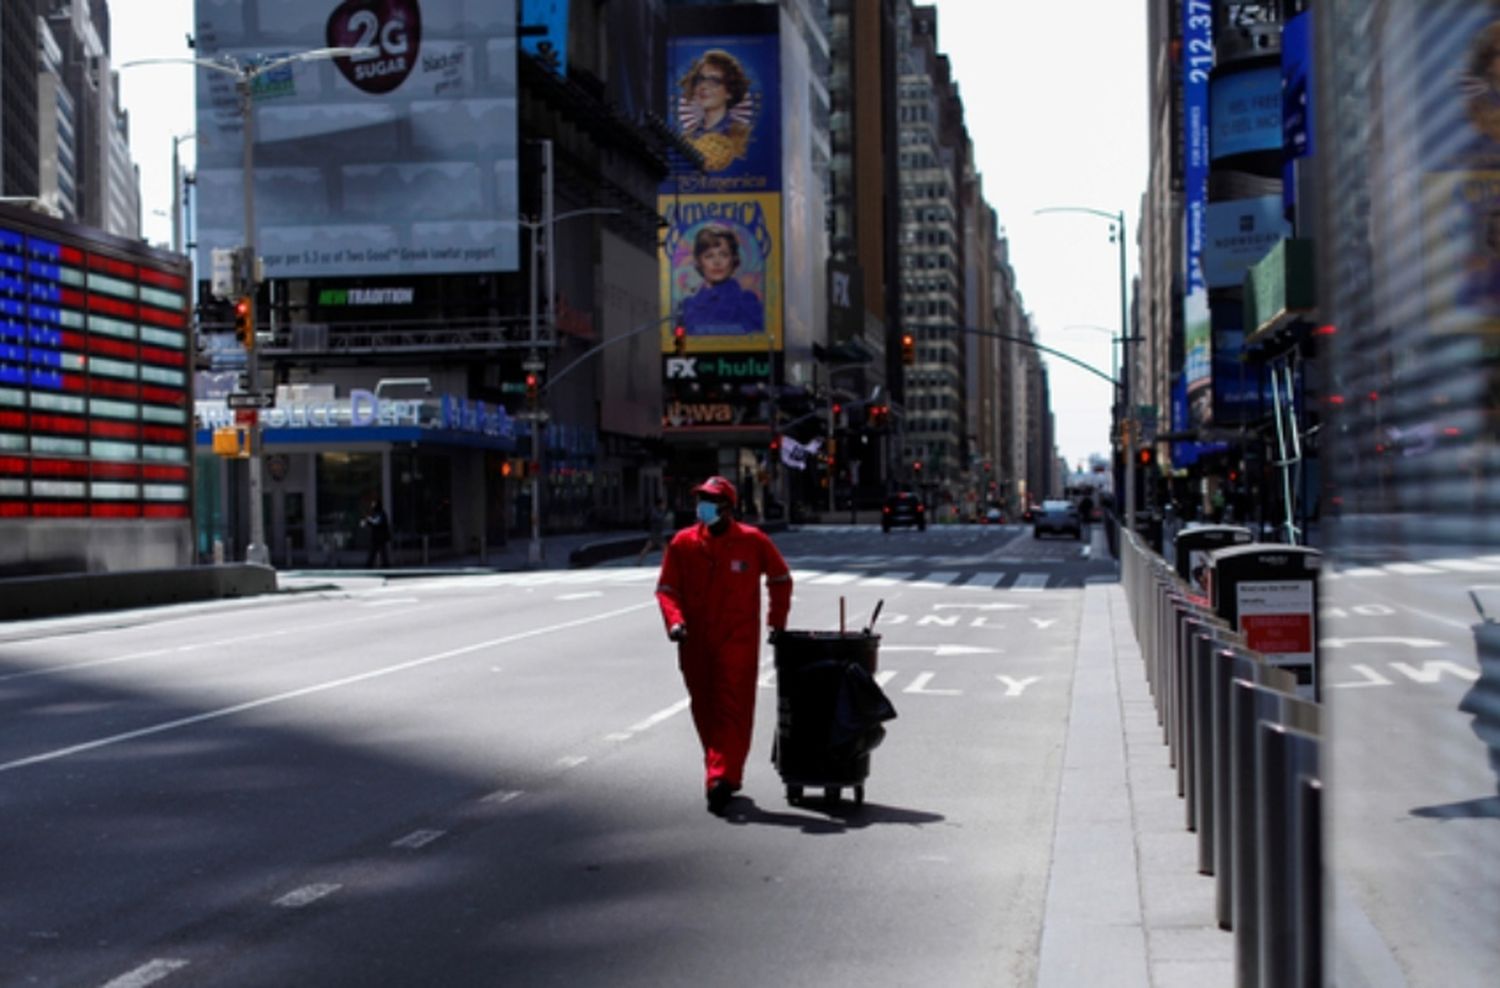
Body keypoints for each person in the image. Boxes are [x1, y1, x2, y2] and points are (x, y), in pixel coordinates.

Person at [656, 475, 792, 814]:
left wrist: (777, 623)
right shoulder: (683, 544)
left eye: (710, 500)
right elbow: (667, 589)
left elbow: (780, 579)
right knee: (703, 707)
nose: (702, 506)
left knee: (731, 708)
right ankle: (723, 771)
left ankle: (720, 776)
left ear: (728, 508)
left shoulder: (753, 541)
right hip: (693, 641)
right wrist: (674, 622)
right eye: (700, 498)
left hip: (738, 641)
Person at [676, 225, 763, 336]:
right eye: (709, 256)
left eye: (723, 255)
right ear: (699, 262)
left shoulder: (748, 303)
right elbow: (679, 343)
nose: (717, 262)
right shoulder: (688, 307)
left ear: (733, 259)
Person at [677, 49, 753, 172]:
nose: (703, 86)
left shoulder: (742, 134)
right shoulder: (687, 138)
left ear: (729, 92)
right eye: (700, 79)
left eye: (714, 81)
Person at [636, 497, 673, 565]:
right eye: (663, 504)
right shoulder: (654, 511)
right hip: (655, 533)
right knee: (663, 548)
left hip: (657, 533)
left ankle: (639, 561)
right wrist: (665, 515)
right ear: (659, 504)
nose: (664, 506)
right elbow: (658, 518)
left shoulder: (659, 511)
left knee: (654, 548)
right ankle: (667, 562)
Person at [361, 498, 391, 568]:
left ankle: (383, 565)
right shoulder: (377, 514)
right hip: (377, 537)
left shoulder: (381, 514)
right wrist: (367, 521)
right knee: (376, 552)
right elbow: (373, 522)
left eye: (374, 504)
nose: (372, 506)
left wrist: (368, 520)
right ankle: (372, 564)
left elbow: (376, 522)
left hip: (380, 537)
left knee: (379, 552)